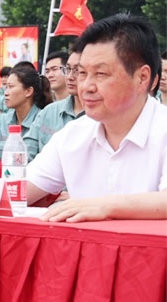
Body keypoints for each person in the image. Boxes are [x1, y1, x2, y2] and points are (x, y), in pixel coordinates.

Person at [26, 13, 166, 222]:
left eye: (101, 74)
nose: (86, 87)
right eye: (82, 73)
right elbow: (16, 192)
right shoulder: (72, 135)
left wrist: (106, 206)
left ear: (142, 77)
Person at [24, 48, 85, 154]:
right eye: (68, 69)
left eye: (77, 70)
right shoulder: (48, 112)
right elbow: (28, 151)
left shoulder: (101, 116)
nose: (70, 76)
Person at [0, 64, 51, 161]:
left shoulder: (44, 123)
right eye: (6, 87)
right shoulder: (2, 123)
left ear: (28, 91)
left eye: (11, 87)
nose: (6, 93)